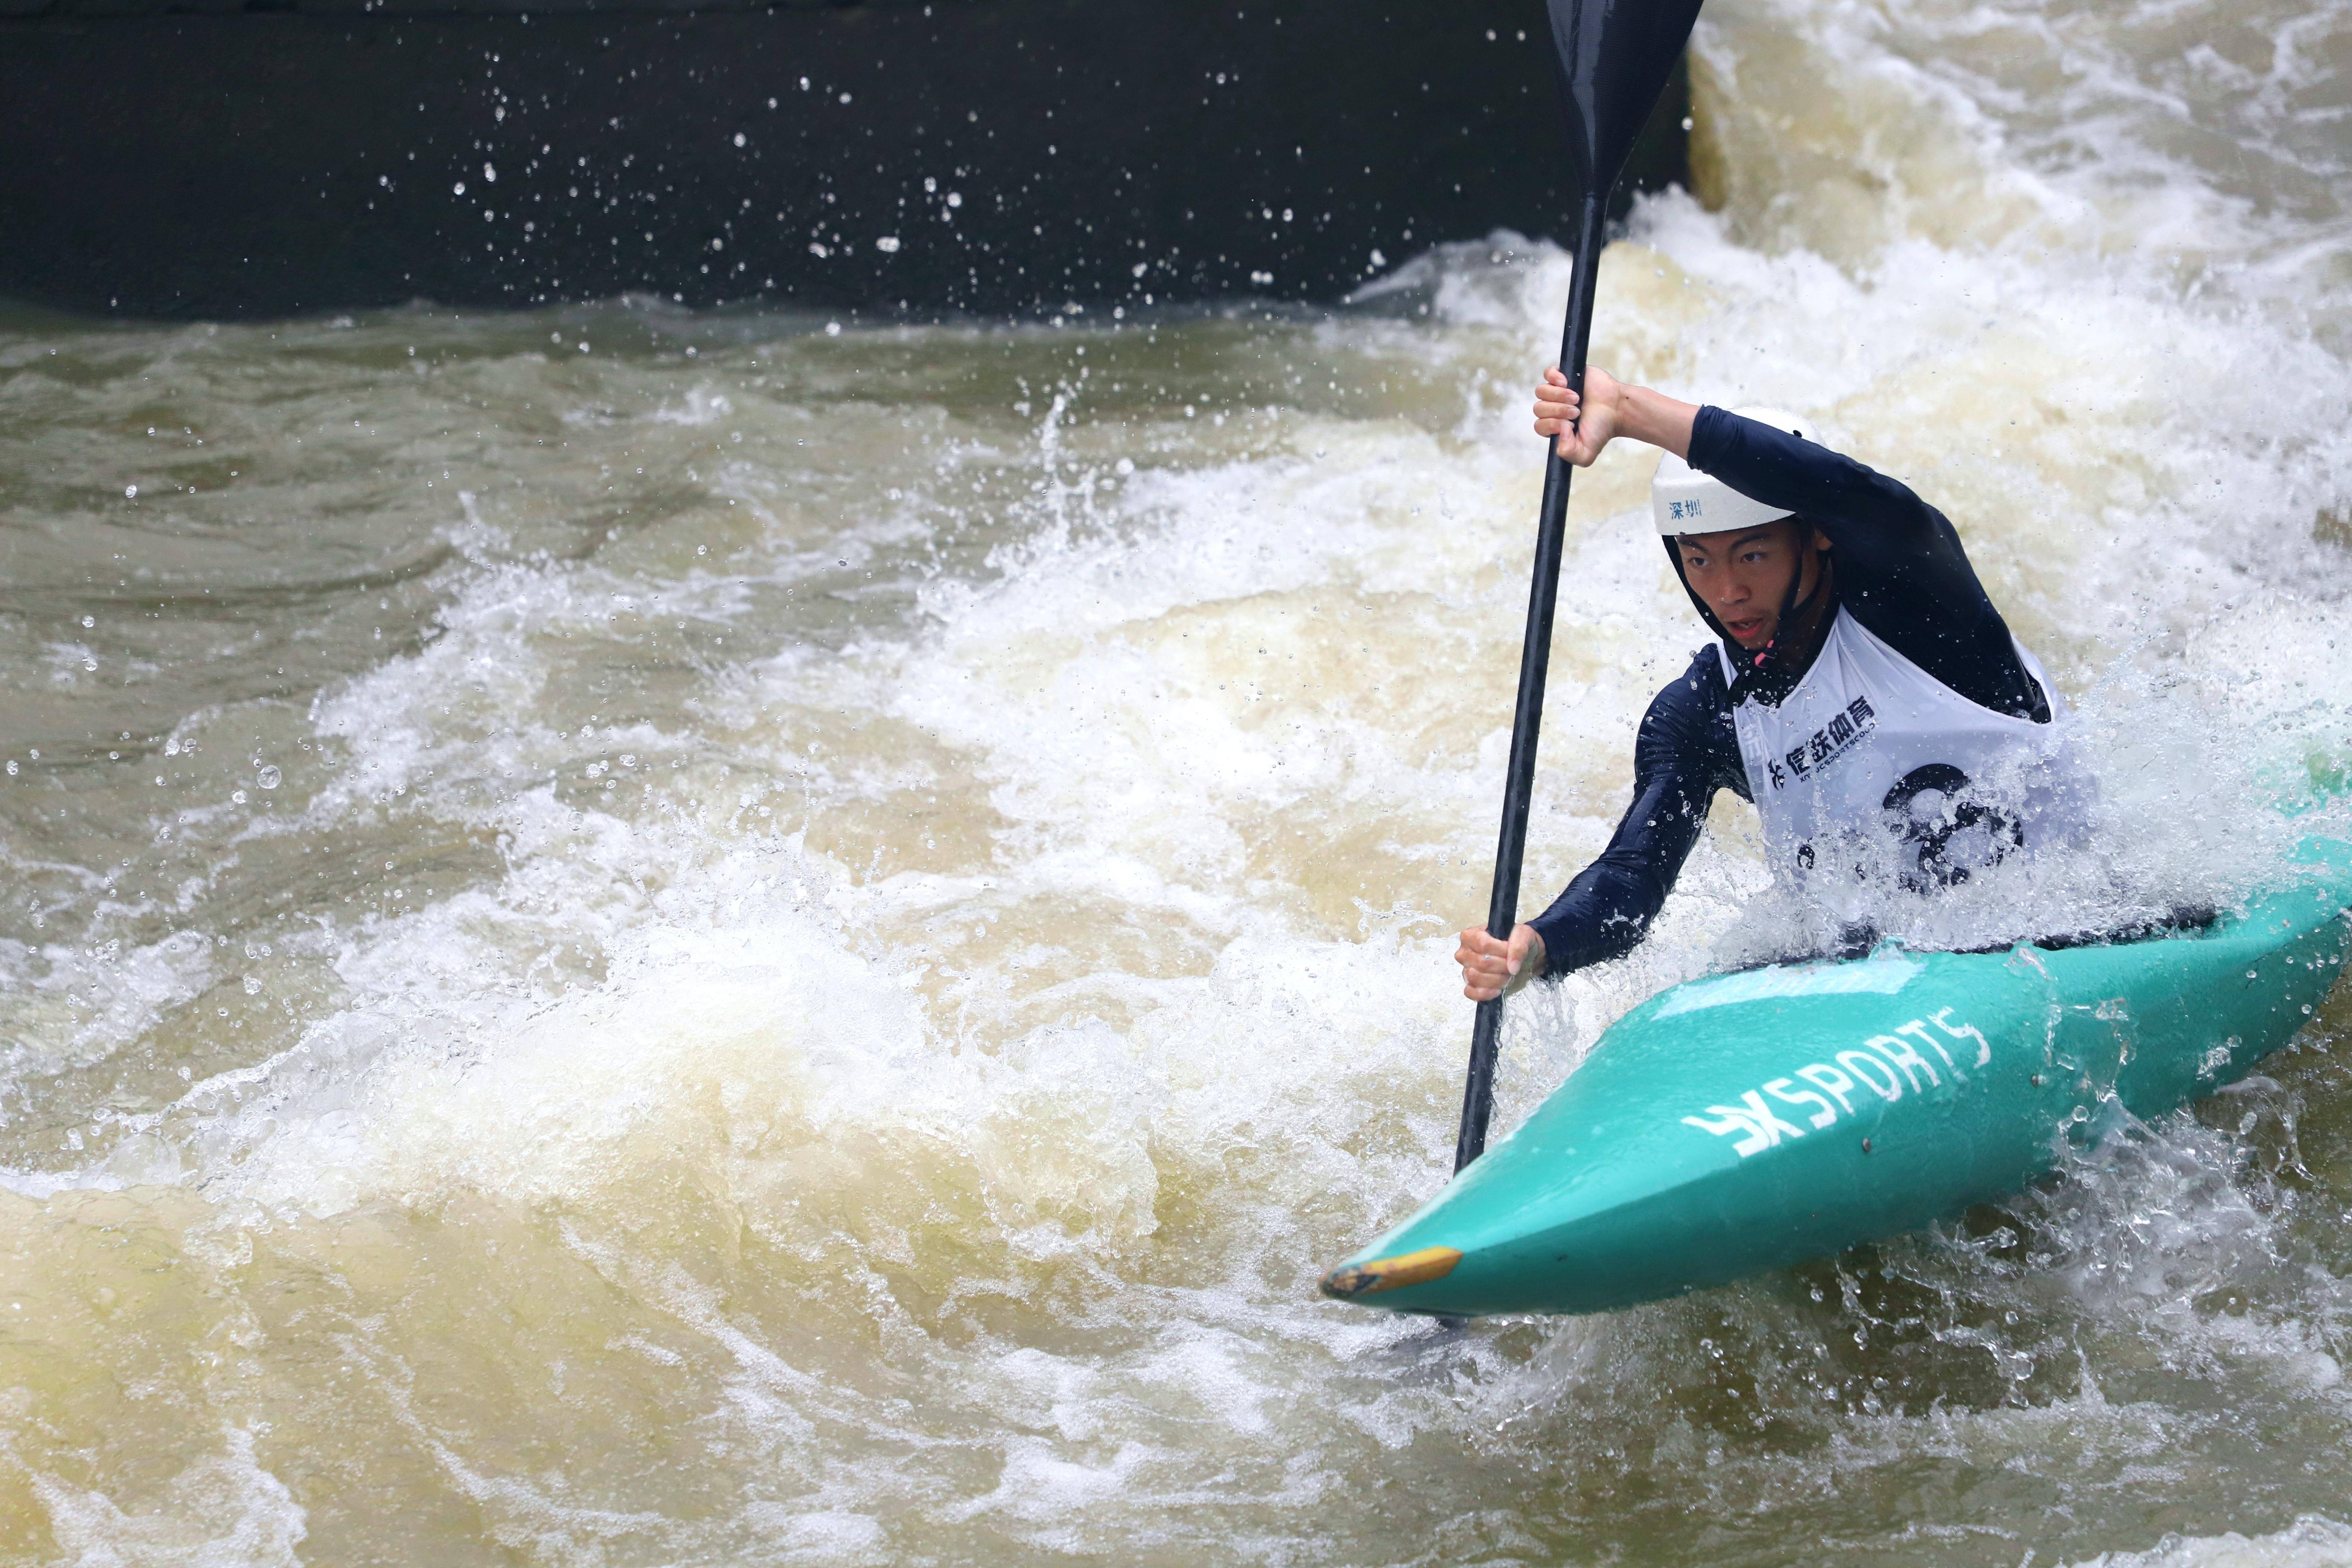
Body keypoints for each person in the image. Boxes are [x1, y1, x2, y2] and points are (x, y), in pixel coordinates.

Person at [1457, 364, 2088, 1001]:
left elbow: (1849, 489)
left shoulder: (1921, 605)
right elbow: (1632, 877)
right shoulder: (1703, 714)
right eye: (1699, 560)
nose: (1727, 592)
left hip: (2075, 943)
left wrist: (1628, 410)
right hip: (1893, 996)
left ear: (1817, 535)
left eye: (1752, 555)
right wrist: (1538, 947)